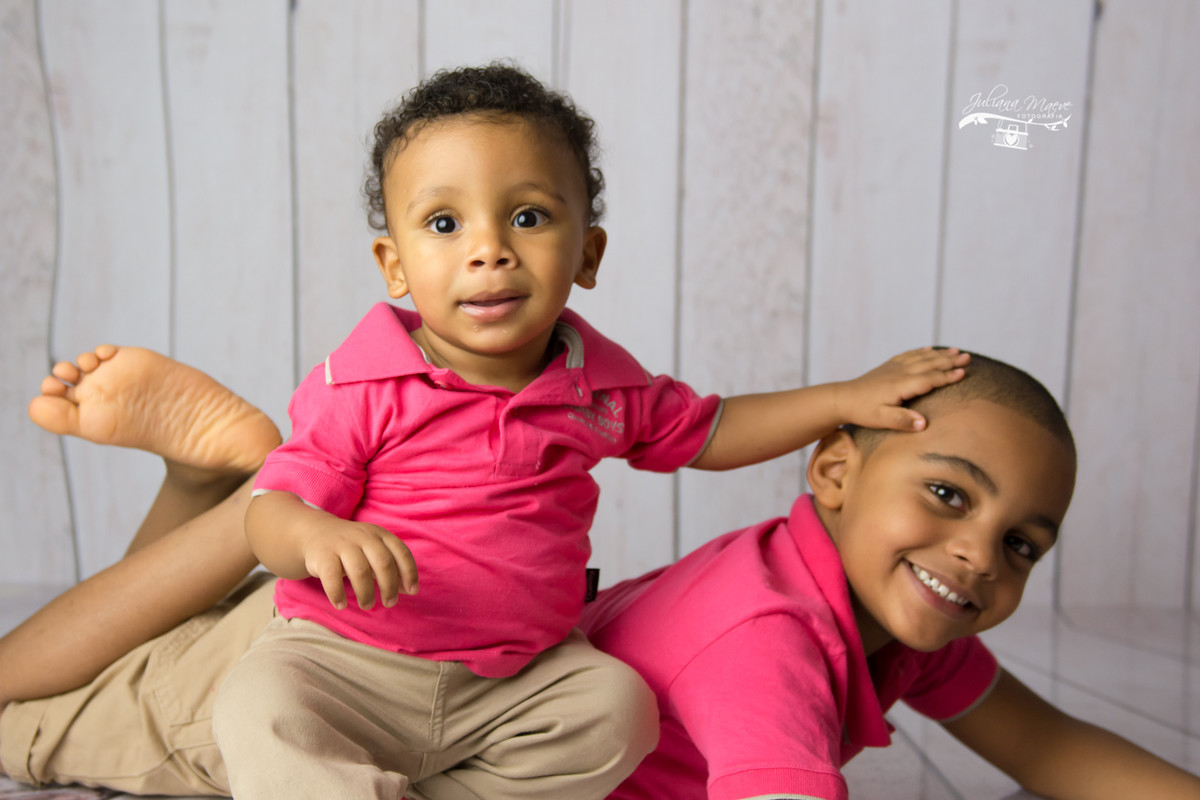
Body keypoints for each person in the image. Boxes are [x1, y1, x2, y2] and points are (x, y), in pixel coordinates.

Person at [1, 63, 966, 800]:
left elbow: (713, 429)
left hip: (508, 682)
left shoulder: (601, 385)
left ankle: (200, 487)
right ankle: (198, 496)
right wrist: (318, 535)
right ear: (394, 266)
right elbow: (281, 515)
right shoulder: (368, 380)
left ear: (586, 252)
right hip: (339, 662)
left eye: (530, 216)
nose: (489, 248)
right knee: (230, 707)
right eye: (445, 224)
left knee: (614, 708)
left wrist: (843, 395)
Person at [5, 349, 1199, 800]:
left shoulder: (889, 619)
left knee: (154, 651)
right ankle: (245, 497)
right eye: (948, 494)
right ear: (831, 470)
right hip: (347, 671)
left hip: (433, 675)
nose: (978, 556)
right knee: (35, 714)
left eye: (1023, 544)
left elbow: (1049, 747)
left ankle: (219, 489)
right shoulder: (769, 633)